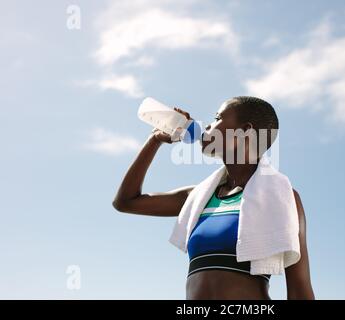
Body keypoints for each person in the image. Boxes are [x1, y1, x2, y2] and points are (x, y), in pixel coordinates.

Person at [112, 96, 315, 300]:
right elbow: (126, 201)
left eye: (217, 117)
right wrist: (154, 140)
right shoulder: (199, 197)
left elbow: (299, 289)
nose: (208, 125)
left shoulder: (280, 197)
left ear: (245, 130)